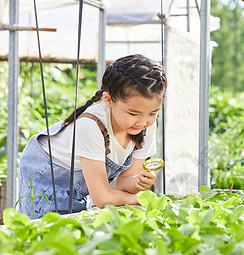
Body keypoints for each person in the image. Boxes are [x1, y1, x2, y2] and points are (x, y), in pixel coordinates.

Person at [18, 54, 167, 218]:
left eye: (153, 113)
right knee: (46, 233)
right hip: (47, 177)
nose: (142, 122)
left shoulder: (146, 127)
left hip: (80, 186)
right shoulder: (91, 125)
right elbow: (102, 198)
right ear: (108, 100)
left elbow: (124, 183)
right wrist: (139, 198)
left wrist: (138, 182)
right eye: (133, 113)